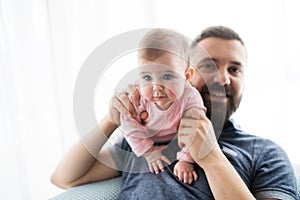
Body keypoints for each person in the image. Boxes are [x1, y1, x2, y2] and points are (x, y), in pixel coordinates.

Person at [51, 26, 298, 199]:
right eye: (208, 65)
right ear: (186, 74)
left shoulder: (265, 153)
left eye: (235, 69)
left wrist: (211, 157)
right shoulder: (145, 139)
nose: (222, 78)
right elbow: (65, 178)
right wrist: (110, 121)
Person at [118, 29, 206, 184]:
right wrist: (148, 151)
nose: (156, 87)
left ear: (186, 76)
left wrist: (186, 159)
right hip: (143, 137)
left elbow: (196, 128)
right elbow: (126, 121)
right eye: (147, 77)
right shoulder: (139, 97)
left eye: (167, 76)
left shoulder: (190, 97)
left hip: (175, 140)